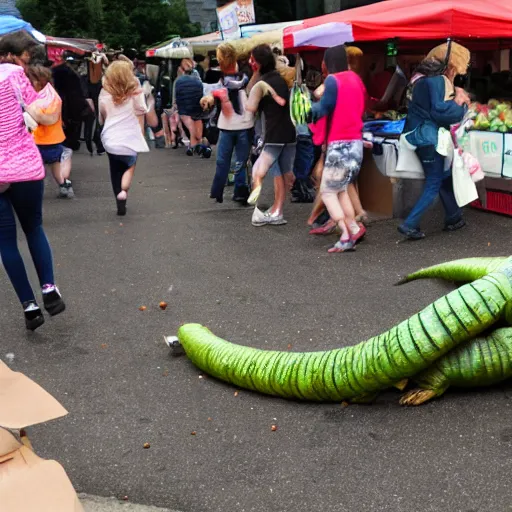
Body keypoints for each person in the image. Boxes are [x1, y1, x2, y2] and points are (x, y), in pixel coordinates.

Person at [0, 31, 66, 330]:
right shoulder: (15, 74)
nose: (28, 61)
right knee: (34, 228)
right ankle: (49, 289)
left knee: (5, 242)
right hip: (24, 167)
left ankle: (29, 307)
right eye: (26, 55)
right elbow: (39, 111)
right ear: (12, 55)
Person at [398, 42, 470, 240]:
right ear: (452, 65)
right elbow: (440, 111)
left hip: (419, 135)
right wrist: (461, 107)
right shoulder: (438, 81)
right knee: (434, 182)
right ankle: (410, 224)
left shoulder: (421, 80)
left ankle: (454, 217)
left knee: (444, 177)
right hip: (428, 138)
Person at [309, 45, 367, 252]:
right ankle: (352, 227)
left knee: (327, 192)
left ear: (327, 62)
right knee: (341, 189)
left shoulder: (334, 80)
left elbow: (324, 108)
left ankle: (344, 233)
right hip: (356, 143)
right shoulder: (356, 79)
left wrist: (308, 109)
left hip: (339, 144)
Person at [247, 44, 297, 226]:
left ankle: (271, 211)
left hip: (273, 135)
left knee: (268, 173)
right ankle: (277, 211)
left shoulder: (264, 82)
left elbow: (250, 105)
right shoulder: (278, 79)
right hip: (288, 133)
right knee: (283, 173)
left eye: (252, 60)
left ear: (258, 63)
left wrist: (254, 74)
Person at [99, 60, 149, 215]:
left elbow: (102, 117)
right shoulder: (135, 93)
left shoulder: (104, 93)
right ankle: (124, 191)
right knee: (129, 165)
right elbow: (141, 113)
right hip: (130, 137)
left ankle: (119, 200)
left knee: (114, 169)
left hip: (110, 137)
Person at [26, 65, 71, 198]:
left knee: (53, 166)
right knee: (41, 167)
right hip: (39, 139)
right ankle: (60, 186)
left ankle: (62, 185)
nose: (28, 82)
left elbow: (48, 119)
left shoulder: (51, 97)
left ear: (41, 80)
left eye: (31, 79)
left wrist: (31, 111)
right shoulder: (42, 94)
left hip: (49, 139)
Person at [52, 52, 91, 198]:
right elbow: (80, 98)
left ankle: (62, 181)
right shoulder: (74, 76)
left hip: (53, 116)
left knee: (56, 152)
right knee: (66, 151)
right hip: (72, 116)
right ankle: (65, 181)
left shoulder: (52, 75)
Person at [174, 58, 210, 157]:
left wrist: (175, 106)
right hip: (197, 105)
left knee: (190, 126)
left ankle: (194, 146)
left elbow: (176, 97)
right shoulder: (197, 79)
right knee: (197, 122)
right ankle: (199, 144)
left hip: (184, 108)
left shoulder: (179, 81)